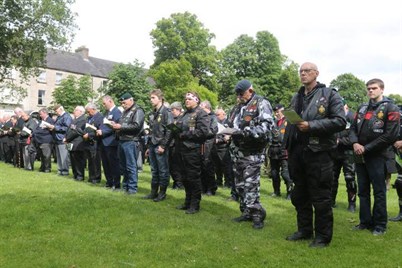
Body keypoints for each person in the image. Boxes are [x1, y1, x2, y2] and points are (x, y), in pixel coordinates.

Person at [284, 62, 346, 247]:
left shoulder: (329, 95)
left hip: (319, 153)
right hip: (298, 152)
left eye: (307, 71)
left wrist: (311, 126)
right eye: (301, 71)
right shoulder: (297, 96)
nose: (303, 74)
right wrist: (286, 146)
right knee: (299, 195)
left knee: (320, 197)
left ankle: (322, 237)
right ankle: (304, 230)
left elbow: (340, 121)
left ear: (316, 74)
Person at [350, 78, 400, 235]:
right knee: (363, 190)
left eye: (374, 88)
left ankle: (380, 225)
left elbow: (390, 135)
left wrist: (367, 148)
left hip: (378, 156)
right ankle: (365, 221)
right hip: (360, 155)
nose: (370, 91)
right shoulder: (363, 107)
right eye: (368, 88)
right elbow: (352, 128)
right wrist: (355, 144)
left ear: (382, 90)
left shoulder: (390, 108)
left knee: (379, 191)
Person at [229, 79, 274, 229]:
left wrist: (245, 132)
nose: (239, 96)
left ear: (250, 90)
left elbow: (267, 126)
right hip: (237, 151)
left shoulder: (261, 103)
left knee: (250, 185)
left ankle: (257, 215)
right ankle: (246, 212)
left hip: (253, 152)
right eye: (237, 94)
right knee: (240, 186)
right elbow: (231, 124)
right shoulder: (238, 107)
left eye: (241, 93)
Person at [174, 91, 209, 214]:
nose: (186, 101)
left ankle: (195, 204)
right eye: (186, 99)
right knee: (184, 177)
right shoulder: (184, 114)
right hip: (181, 149)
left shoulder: (201, 114)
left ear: (196, 100)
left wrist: (185, 135)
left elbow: (203, 132)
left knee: (193, 177)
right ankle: (187, 201)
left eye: (189, 99)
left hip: (193, 150)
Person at [143, 89, 173, 202]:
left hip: (160, 144)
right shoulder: (153, 113)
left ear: (160, 99)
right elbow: (151, 131)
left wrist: (163, 146)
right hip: (152, 144)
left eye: (153, 98)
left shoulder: (166, 112)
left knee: (163, 170)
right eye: (150, 98)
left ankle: (162, 193)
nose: (151, 100)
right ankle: (153, 192)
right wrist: (148, 147)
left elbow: (170, 131)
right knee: (154, 170)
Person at [112, 92, 145, 195]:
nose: (123, 104)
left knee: (131, 166)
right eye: (121, 103)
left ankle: (132, 188)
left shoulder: (138, 111)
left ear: (131, 100)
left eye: (124, 102)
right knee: (124, 166)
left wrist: (120, 127)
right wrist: (115, 126)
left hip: (131, 141)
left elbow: (136, 126)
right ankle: (125, 186)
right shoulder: (125, 112)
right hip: (122, 140)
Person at [331, 100, 357, 212]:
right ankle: (331, 201)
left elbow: (355, 136)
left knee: (349, 178)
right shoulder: (335, 117)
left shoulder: (352, 117)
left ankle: (352, 203)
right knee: (332, 177)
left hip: (349, 152)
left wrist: (340, 141)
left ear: (346, 106)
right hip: (335, 152)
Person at [268, 104, 293, 199]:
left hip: (284, 150)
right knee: (274, 173)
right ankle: (276, 191)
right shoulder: (273, 122)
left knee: (285, 173)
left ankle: (290, 192)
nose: (276, 114)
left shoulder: (289, 120)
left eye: (278, 112)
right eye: (275, 112)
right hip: (273, 150)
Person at [97, 95, 122, 190]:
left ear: (110, 101)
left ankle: (116, 184)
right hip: (103, 142)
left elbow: (116, 127)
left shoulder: (117, 112)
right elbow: (104, 124)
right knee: (106, 164)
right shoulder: (106, 112)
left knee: (113, 164)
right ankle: (109, 182)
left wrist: (103, 132)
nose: (103, 105)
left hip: (112, 141)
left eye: (104, 103)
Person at [199, 100, 218, 196]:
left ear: (207, 108)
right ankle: (203, 187)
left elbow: (213, 130)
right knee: (201, 166)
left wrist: (202, 133)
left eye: (201, 107)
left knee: (208, 166)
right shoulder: (200, 117)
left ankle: (211, 188)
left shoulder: (213, 117)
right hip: (200, 143)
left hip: (209, 144)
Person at [48, 105, 72, 176]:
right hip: (58, 139)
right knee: (59, 156)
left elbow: (66, 128)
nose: (56, 112)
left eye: (56, 110)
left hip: (63, 139)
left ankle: (65, 171)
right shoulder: (60, 117)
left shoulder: (67, 116)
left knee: (64, 156)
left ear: (61, 109)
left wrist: (55, 127)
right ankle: (60, 170)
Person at [64, 106, 87, 181]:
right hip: (70, 142)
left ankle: (80, 176)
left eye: (76, 110)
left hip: (77, 142)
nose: (74, 111)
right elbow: (69, 130)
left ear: (81, 112)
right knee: (72, 159)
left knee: (78, 160)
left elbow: (76, 132)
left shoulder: (82, 120)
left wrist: (67, 139)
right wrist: (65, 137)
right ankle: (75, 175)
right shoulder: (74, 119)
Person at [83, 103, 103, 184]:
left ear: (93, 109)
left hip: (95, 142)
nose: (88, 113)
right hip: (88, 142)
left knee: (96, 161)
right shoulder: (88, 118)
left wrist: (89, 134)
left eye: (89, 111)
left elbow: (99, 130)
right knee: (90, 161)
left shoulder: (100, 117)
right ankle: (91, 176)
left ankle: (96, 177)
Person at [33, 108, 55, 173]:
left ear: (45, 113)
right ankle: (43, 167)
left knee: (46, 155)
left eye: (41, 114)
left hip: (46, 140)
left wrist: (38, 132)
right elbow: (37, 129)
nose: (40, 115)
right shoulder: (40, 121)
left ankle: (47, 168)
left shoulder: (50, 120)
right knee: (42, 155)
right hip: (40, 140)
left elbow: (47, 131)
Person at [168, 101, 184, 190]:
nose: (172, 112)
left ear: (178, 110)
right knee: (172, 166)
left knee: (177, 166)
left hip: (178, 145)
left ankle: (179, 183)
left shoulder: (182, 119)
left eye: (173, 110)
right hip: (172, 144)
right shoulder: (173, 119)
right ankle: (176, 182)